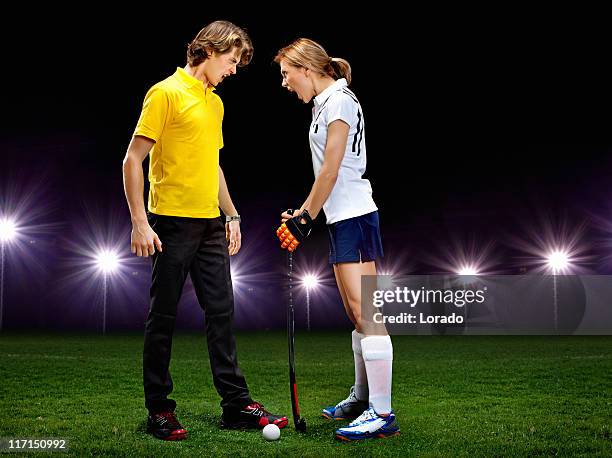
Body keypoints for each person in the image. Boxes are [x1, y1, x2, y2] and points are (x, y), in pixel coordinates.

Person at [122, 20, 287, 441]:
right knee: (163, 318)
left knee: (222, 315)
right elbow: (132, 160)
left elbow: (212, 165)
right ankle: (159, 409)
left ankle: (235, 405)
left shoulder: (215, 104)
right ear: (210, 51)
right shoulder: (165, 93)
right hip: (171, 225)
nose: (233, 70)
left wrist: (231, 215)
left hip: (211, 224)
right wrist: (140, 221)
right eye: (231, 61)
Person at [274, 38, 399, 441]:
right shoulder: (326, 104)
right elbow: (328, 175)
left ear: (305, 68)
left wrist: (305, 218)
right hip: (341, 217)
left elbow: (331, 169)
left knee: (368, 312)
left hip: (356, 216)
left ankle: (381, 413)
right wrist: (305, 213)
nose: (285, 83)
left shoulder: (339, 100)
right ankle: (363, 397)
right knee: (355, 312)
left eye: (286, 74)